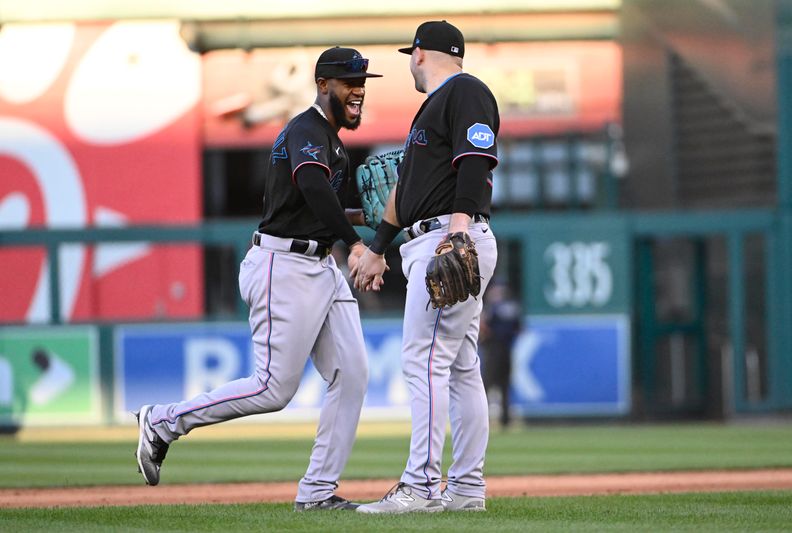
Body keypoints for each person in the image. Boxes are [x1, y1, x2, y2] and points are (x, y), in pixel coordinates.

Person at [134, 46, 382, 512]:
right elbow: (310, 186)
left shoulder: (331, 142)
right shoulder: (306, 130)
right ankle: (162, 423)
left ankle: (316, 493)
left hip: (319, 266)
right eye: (350, 82)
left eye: (363, 83)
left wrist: (366, 217)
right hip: (283, 265)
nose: (359, 91)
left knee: (352, 374)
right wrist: (355, 241)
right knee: (273, 389)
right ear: (323, 84)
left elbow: (316, 207)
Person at [352, 20, 500, 513]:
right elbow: (403, 193)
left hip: (448, 236)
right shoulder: (431, 108)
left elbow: (477, 158)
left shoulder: (465, 91)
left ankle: (420, 485)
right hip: (431, 235)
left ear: (418, 53)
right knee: (458, 367)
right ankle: (465, 489)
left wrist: (458, 230)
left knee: (425, 359)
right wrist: (377, 247)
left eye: (409, 56)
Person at [480, 281, 522, 428]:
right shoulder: (513, 307)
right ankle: (505, 419)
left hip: (493, 348)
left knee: (486, 384)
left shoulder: (493, 308)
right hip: (507, 348)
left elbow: (484, 327)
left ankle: (480, 417)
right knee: (504, 384)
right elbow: (519, 328)